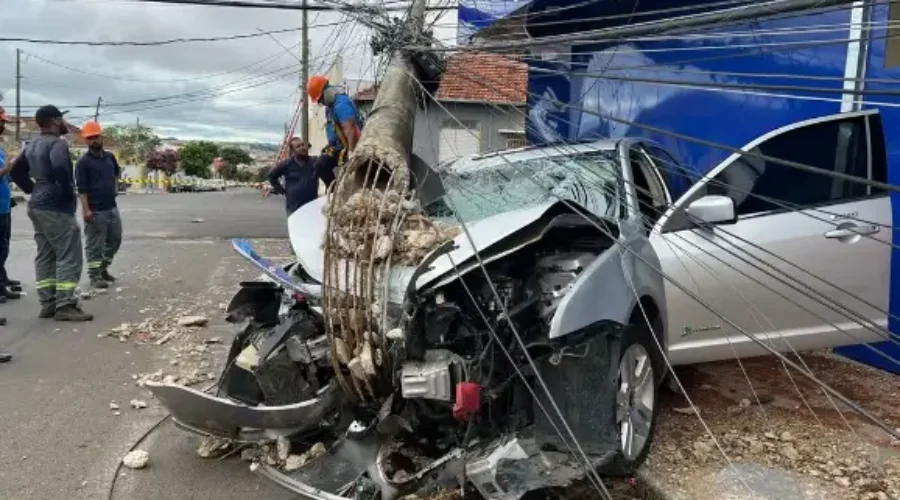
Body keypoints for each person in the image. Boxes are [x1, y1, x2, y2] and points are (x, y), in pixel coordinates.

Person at [9, 105, 93, 322]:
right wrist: (65, 192)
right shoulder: (58, 144)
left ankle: (48, 304)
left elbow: (16, 170)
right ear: (55, 121)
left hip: (37, 205)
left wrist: (32, 189)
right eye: (63, 120)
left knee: (46, 253)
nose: (65, 123)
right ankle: (65, 304)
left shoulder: (32, 145)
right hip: (55, 207)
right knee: (69, 254)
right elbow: (58, 167)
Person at [75, 121, 123, 290]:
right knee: (94, 245)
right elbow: (82, 189)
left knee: (115, 240)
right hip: (95, 210)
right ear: (86, 141)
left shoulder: (110, 157)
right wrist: (85, 210)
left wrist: (115, 188)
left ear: (101, 136)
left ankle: (102, 268)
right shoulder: (83, 163)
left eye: (96, 136)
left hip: (111, 207)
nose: (94, 140)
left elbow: (116, 173)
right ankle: (94, 276)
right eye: (90, 138)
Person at [306, 75, 364, 180]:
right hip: (338, 147)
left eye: (320, 100)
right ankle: (333, 190)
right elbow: (335, 129)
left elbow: (350, 129)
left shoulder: (341, 104)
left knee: (324, 166)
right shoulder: (330, 107)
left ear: (325, 92)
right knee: (319, 165)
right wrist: (329, 145)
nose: (321, 103)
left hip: (350, 147)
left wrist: (351, 152)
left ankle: (338, 189)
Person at [267, 137, 336, 216]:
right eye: (298, 146)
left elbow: (328, 165)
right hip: (293, 208)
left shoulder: (315, 161)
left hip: (311, 206)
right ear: (293, 151)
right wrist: (281, 190)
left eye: (303, 145)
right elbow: (271, 176)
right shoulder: (286, 164)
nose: (302, 148)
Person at [0, 106, 23, 304]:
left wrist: (11, 165)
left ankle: (2, 281)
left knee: (4, 246)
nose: (3, 125)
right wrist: (6, 168)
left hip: (4, 206)